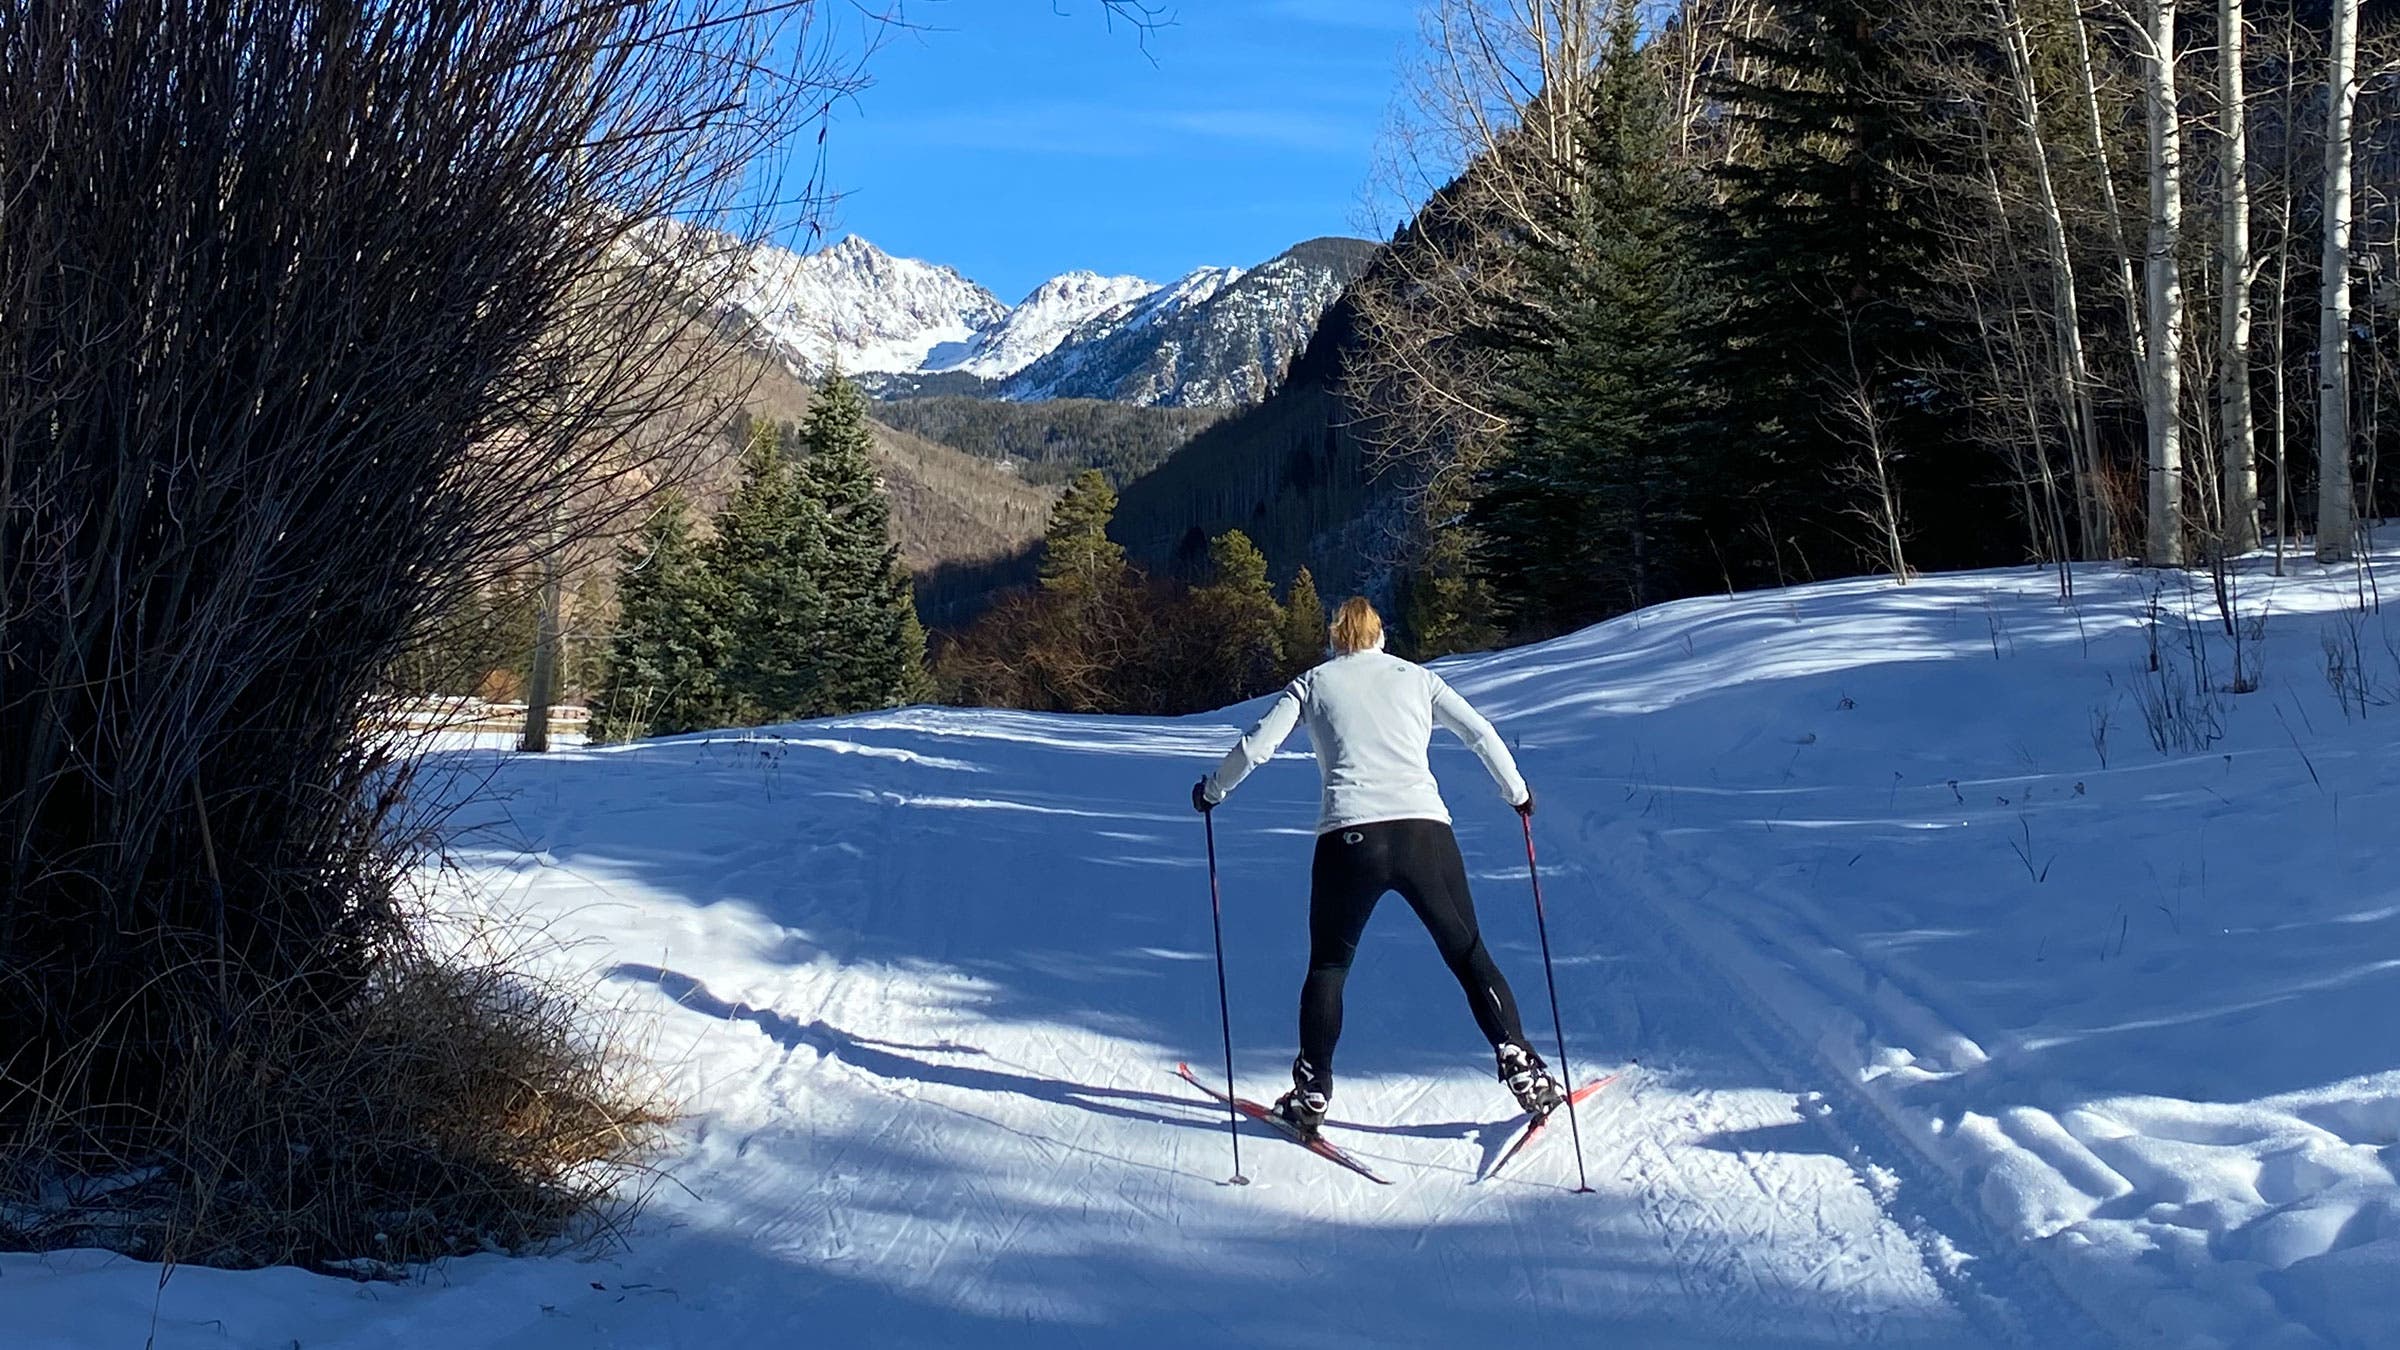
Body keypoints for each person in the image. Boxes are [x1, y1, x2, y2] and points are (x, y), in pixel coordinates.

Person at [1191, 595, 1563, 1138]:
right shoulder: (1418, 679)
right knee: (1467, 954)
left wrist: (1212, 792)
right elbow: (1479, 733)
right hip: (1423, 833)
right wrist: (1518, 793)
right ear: (1381, 636)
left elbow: (1257, 747)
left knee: (1329, 968)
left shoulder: (1313, 683)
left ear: (1334, 637)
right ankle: (1518, 1060)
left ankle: (1312, 1090)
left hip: (1347, 837)